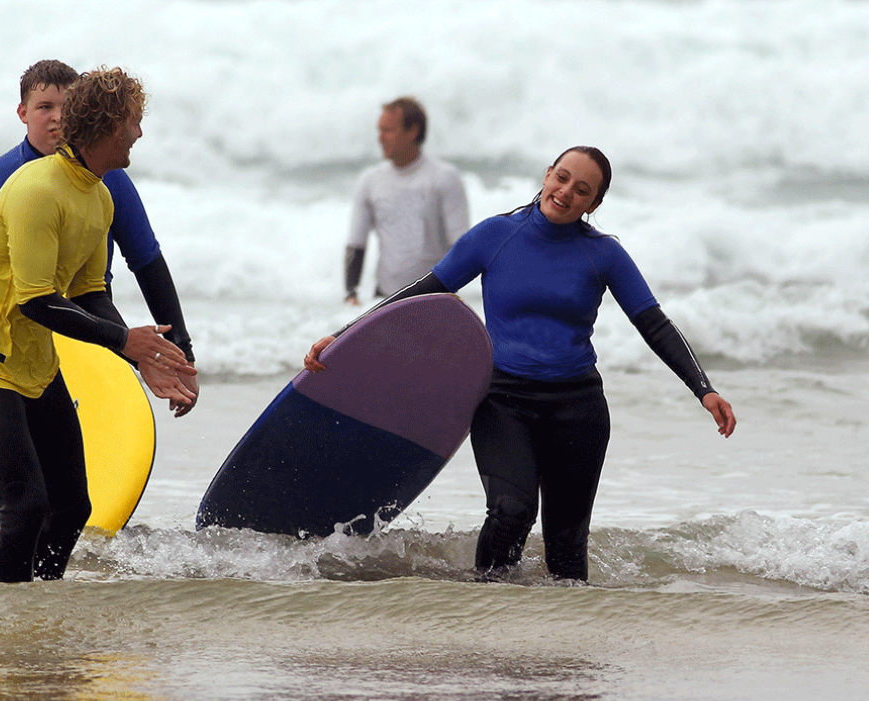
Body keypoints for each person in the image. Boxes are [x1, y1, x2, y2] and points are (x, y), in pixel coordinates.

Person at [306, 146, 736, 582]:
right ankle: (491, 615)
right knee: (512, 511)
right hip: (503, 401)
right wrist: (345, 337)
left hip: (578, 408)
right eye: (562, 178)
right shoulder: (495, 236)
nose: (566, 192)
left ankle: (562, 645)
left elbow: (654, 324)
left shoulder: (604, 255)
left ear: (594, 204)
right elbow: (423, 293)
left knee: (567, 548)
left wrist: (704, 388)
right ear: (548, 174)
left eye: (582, 190)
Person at [0, 60, 198, 531]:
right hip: (1, 343)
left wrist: (174, 352)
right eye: (45, 107)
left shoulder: (105, 184)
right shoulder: (3, 181)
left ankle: (34, 586)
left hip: (73, 334)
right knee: (20, 497)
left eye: (66, 105)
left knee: (57, 496)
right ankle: (11, 579)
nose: (57, 117)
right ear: (23, 112)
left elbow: (146, 264)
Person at [343, 96, 470, 305]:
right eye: (379, 130)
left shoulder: (444, 177)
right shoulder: (370, 180)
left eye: (388, 130)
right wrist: (351, 295)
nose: (380, 137)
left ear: (413, 131)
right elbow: (356, 244)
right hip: (385, 300)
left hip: (434, 301)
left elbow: (462, 247)